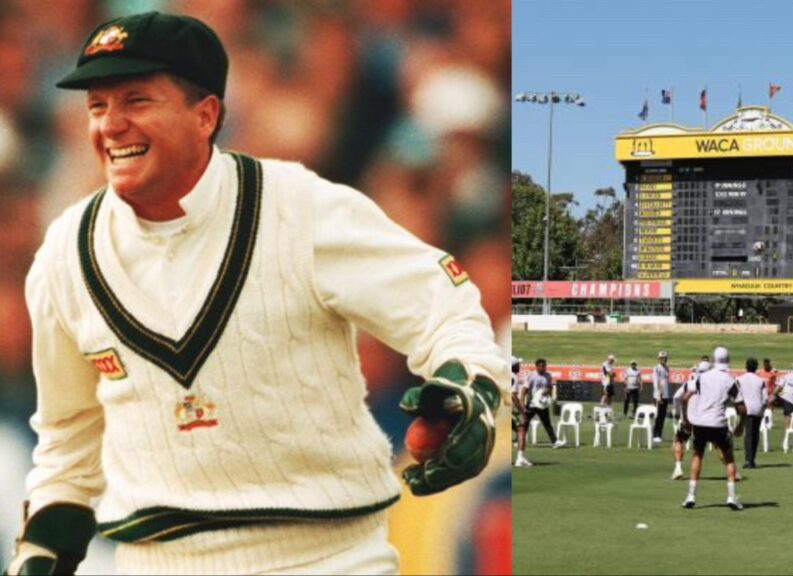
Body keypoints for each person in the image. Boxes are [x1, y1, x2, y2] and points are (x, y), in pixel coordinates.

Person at [7, 12, 504, 576]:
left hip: (327, 560)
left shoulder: (301, 208)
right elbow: (69, 441)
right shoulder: (64, 256)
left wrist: (471, 389)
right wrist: (41, 548)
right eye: (97, 106)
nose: (111, 125)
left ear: (206, 114)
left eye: (137, 100)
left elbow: (442, 302)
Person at [679, 347, 743, 510]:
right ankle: (731, 497)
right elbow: (741, 407)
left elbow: (684, 398)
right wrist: (740, 424)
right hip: (718, 423)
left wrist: (686, 419)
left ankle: (690, 496)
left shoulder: (702, 377)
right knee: (729, 458)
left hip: (700, 422)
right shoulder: (730, 380)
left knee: (697, 455)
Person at [671, 359, 708, 480]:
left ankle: (678, 468)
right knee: (720, 444)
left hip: (689, 418)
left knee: (679, 440)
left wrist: (677, 413)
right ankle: (732, 469)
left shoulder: (690, 383)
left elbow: (676, 397)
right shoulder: (713, 385)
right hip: (706, 419)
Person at [523, 359, 566, 450]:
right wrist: (522, 402)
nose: (543, 367)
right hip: (532, 403)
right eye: (541, 366)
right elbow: (525, 389)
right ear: (537, 366)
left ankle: (554, 441)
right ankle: (519, 440)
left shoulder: (548, 376)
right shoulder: (532, 376)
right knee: (525, 422)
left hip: (542, 404)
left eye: (544, 366)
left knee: (547, 423)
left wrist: (548, 392)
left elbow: (550, 388)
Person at [736, 358, 768, 469]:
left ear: (746, 366)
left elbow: (737, 395)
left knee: (748, 435)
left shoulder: (740, 379)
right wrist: (763, 409)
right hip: (758, 408)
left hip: (747, 408)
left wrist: (739, 408)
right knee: (755, 434)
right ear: (756, 367)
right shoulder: (760, 380)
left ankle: (748, 460)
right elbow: (765, 399)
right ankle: (752, 459)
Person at [512, 357, 532, 468]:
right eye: (518, 364)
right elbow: (512, 395)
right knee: (521, 430)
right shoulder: (513, 377)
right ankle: (520, 458)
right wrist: (521, 411)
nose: (519, 366)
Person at [652, 351, 671, 443]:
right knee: (658, 416)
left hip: (666, 395)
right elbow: (656, 382)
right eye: (662, 358)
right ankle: (655, 434)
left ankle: (659, 433)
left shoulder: (667, 368)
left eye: (665, 358)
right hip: (659, 395)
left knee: (663, 416)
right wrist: (658, 395)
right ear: (659, 359)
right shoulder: (656, 368)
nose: (664, 359)